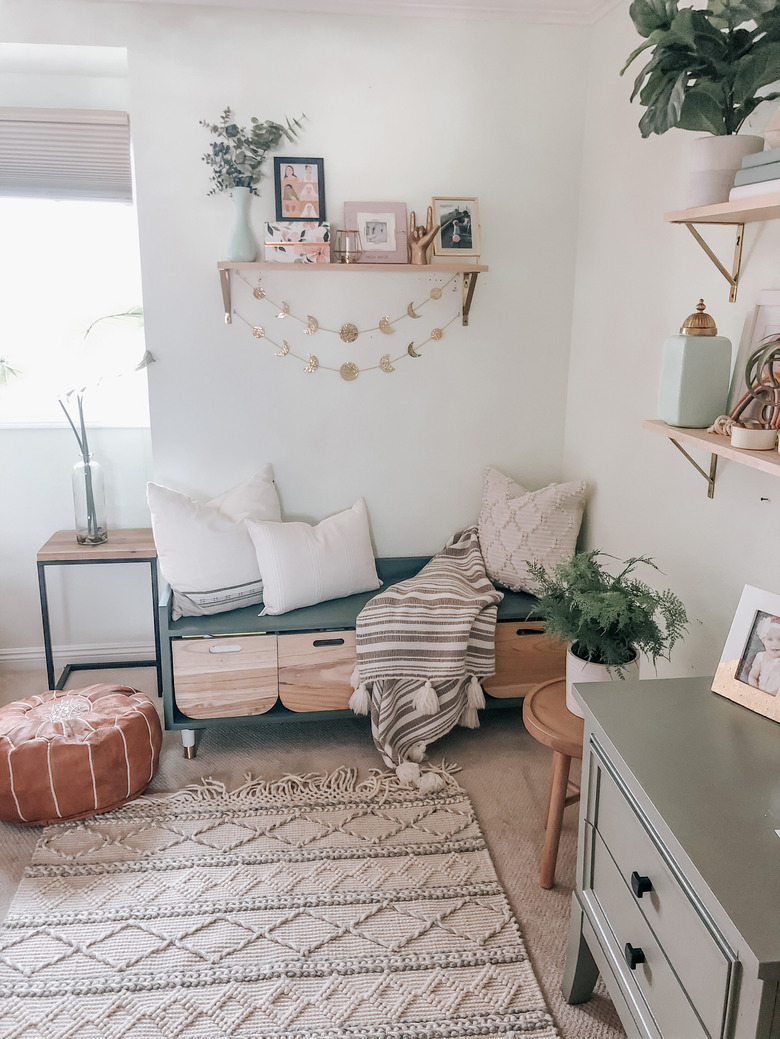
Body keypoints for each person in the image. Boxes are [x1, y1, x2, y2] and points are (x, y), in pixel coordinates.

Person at [747, 614, 780, 694]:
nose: (775, 644)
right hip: (759, 693)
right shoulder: (760, 657)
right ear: (763, 640)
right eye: (770, 639)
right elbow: (752, 676)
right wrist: (755, 691)